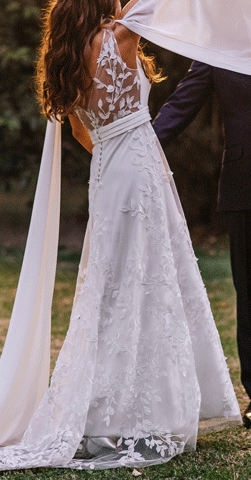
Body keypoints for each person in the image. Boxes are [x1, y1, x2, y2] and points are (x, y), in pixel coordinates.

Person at [0, 0, 247, 471]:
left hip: (107, 169)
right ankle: (146, 407)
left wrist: (117, 146)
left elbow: (82, 133)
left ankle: (110, 408)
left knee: (111, 288)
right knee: (146, 282)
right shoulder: (120, 36)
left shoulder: (68, 54)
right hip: (138, 172)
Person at [152, 60, 251, 429]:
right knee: (249, 290)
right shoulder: (217, 44)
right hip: (245, 184)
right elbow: (180, 105)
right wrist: (132, 146)